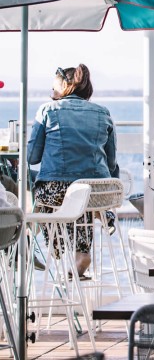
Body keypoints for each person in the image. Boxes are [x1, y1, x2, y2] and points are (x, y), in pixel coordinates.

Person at [27, 64, 119, 277]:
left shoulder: (48, 110)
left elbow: (32, 157)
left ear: (64, 87)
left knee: (46, 196)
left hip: (58, 190)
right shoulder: (103, 112)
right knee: (82, 199)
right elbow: (112, 162)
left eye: (53, 90)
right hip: (99, 190)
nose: (52, 94)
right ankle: (83, 248)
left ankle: (50, 246)